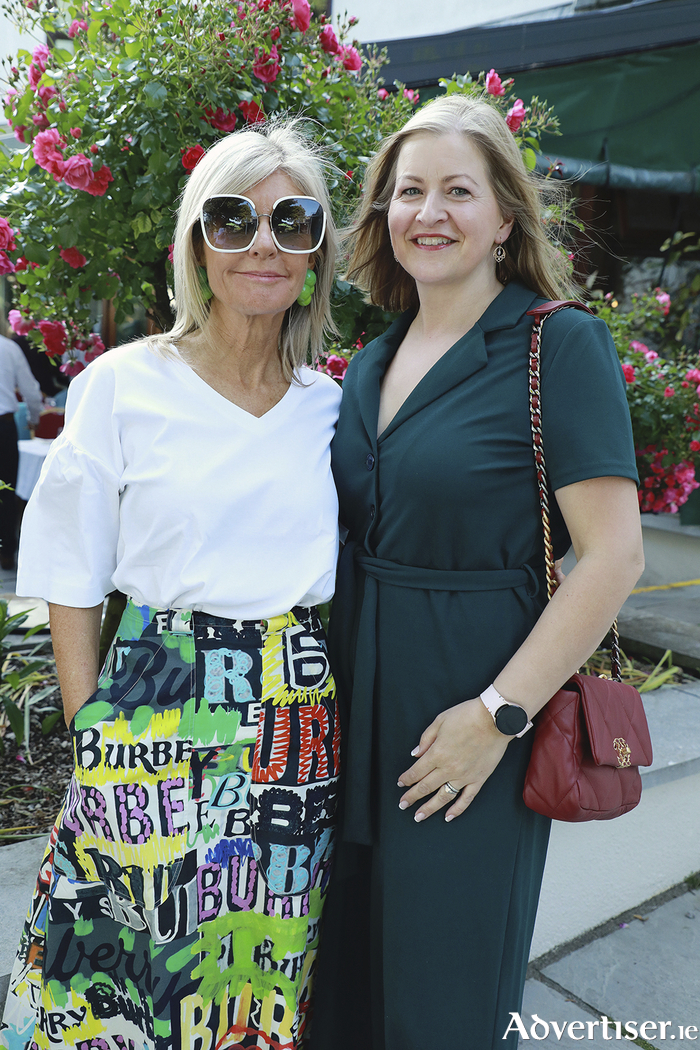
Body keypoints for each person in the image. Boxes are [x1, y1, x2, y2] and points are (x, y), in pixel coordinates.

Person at [308, 95, 644, 1050]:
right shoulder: (367, 366)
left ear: (505, 216)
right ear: (383, 215)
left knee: (443, 1004)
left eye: (459, 190)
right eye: (409, 191)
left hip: (471, 729)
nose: (431, 212)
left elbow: (613, 555)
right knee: (342, 995)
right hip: (351, 721)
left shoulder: (557, 344)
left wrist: (498, 717)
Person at [2, 121, 342, 1050]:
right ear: (198, 242)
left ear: (318, 246)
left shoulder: (333, 404)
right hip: (153, 694)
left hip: (288, 706)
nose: (262, 241)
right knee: (116, 956)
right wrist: (91, 728)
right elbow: (70, 566)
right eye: (232, 219)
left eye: (291, 218)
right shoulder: (125, 383)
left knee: (254, 958)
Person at [0, 330, 42, 569]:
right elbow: (31, 389)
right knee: (6, 491)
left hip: (5, 425)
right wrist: (34, 418)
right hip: (3, 427)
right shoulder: (8, 348)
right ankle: (7, 552)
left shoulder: (9, 347)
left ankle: (6, 552)